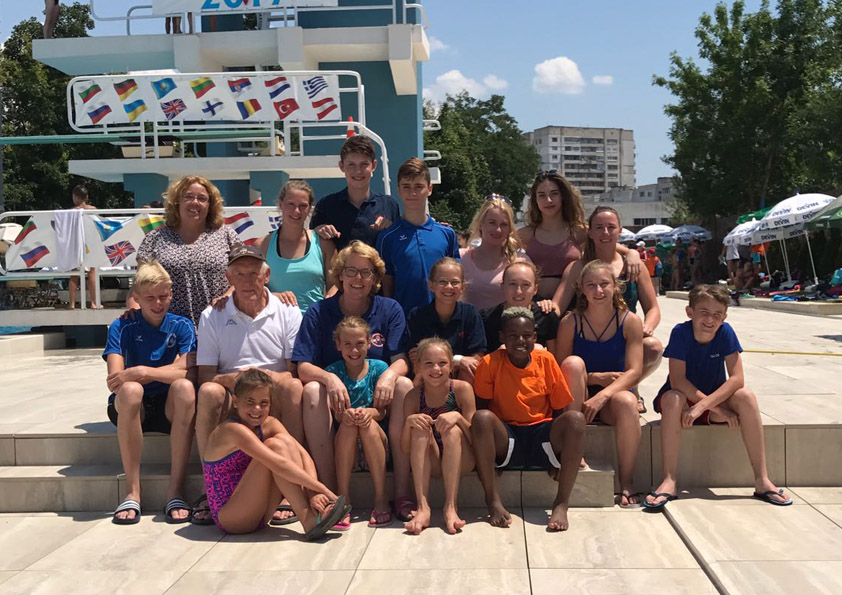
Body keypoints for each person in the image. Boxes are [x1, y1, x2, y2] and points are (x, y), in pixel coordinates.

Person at [292, 241, 416, 521]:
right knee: (312, 390)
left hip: (379, 409)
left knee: (404, 385)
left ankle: (400, 492)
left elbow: (401, 360)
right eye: (351, 271)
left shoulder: (390, 309)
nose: (358, 278)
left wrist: (388, 375)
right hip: (336, 411)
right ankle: (330, 492)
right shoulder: (319, 312)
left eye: (366, 272)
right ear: (340, 274)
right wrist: (329, 379)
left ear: (375, 278)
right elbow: (303, 366)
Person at [645, 285, 791, 509]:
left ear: (724, 317)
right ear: (690, 312)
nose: (710, 320)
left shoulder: (725, 332)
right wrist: (709, 407)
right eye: (704, 312)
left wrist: (705, 406)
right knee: (673, 398)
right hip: (684, 403)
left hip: (709, 403)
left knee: (746, 396)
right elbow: (678, 381)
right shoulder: (681, 332)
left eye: (717, 315)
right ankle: (669, 479)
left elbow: (737, 379)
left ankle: (762, 480)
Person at [194, 245, 304, 524]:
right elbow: (205, 375)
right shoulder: (212, 315)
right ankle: (209, 488)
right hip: (233, 391)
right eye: (239, 274)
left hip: (273, 387)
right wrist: (233, 380)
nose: (247, 281)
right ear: (229, 278)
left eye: (254, 274)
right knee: (208, 391)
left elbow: (293, 371)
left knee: (294, 388)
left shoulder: (288, 310)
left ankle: (293, 490)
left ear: (266, 276)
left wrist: (261, 378)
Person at [472, 307, 585, 531]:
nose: (520, 341)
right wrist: (489, 457)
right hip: (507, 437)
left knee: (576, 419)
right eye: (513, 336)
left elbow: (559, 409)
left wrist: (559, 457)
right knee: (481, 418)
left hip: (541, 434)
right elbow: (482, 406)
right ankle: (493, 501)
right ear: (502, 337)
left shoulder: (546, 360)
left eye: (526, 335)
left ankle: (561, 503)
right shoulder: (490, 363)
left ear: (535, 337)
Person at [201, 369, 349, 538]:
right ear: (235, 401)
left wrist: (312, 493)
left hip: (260, 513)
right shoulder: (231, 430)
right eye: (250, 402)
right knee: (274, 447)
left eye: (264, 403)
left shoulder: (269, 424)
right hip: (231, 518)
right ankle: (308, 520)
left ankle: (310, 515)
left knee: (284, 442)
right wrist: (325, 490)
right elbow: (278, 464)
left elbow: (303, 455)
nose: (257, 409)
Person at [103, 261, 197, 525]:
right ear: (136, 298)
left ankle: (175, 491)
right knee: (131, 389)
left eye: (163, 296)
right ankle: (132, 492)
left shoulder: (182, 325)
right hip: (134, 407)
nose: (158, 304)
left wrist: (144, 371)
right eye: (150, 298)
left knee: (185, 388)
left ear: (171, 294)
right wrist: (168, 370)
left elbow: (189, 373)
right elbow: (115, 380)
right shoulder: (122, 326)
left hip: (169, 406)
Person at [556, 207, 662, 412]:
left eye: (611, 227)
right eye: (599, 227)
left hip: (624, 334)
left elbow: (653, 308)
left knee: (653, 346)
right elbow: (558, 305)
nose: (605, 232)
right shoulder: (578, 267)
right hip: (588, 338)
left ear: (619, 230)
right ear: (590, 232)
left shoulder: (634, 265)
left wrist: (646, 327)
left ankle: (630, 387)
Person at [556, 261, 644, 507]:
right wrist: (595, 378)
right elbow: (560, 370)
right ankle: (575, 447)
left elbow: (635, 371)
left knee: (627, 402)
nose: (598, 291)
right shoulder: (570, 322)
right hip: (579, 393)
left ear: (616, 286)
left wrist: (603, 395)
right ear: (581, 289)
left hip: (611, 396)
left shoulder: (630, 321)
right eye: (591, 285)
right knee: (573, 364)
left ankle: (627, 480)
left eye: (604, 284)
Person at [135, 175, 240, 327]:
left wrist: (227, 296)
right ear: (177, 202)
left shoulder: (227, 235)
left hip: (220, 323)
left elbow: (244, 276)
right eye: (188, 197)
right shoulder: (154, 238)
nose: (195, 202)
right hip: (170, 329)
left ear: (210, 205)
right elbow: (139, 285)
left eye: (202, 198)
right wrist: (133, 313)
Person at [402, 338, 476, 534]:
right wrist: (408, 423)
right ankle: (423, 507)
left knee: (452, 430)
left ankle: (451, 507)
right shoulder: (413, 396)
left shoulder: (462, 389)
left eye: (442, 363)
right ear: (418, 367)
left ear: (451, 365)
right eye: (429, 363)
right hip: (433, 462)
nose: (436, 369)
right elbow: (404, 448)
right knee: (418, 428)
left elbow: (475, 439)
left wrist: (458, 418)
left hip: (463, 459)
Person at [328, 316, 391, 529]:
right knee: (348, 424)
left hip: (375, 442)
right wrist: (344, 415)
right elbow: (336, 414)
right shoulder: (333, 371)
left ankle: (381, 497)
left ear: (369, 343)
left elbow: (383, 411)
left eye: (359, 343)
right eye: (347, 344)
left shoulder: (379, 368)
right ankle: (343, 497)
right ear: (338, 345)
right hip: (349, 448)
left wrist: (369, 413)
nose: (354, 350)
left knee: (367, 423)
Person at [377, 157, 460, 314]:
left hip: (442, 319)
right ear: (399, 190)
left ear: (429, 189)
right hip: (404, 320)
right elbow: (387, 286)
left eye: (419, 186)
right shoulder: (387, 237)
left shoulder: (447, 234)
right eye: (406, 187)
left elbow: (457, 280)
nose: (412, 193)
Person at [257, 180, 336, 314]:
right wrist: (273, 296)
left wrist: (330, 299)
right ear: (281, 204)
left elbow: (335, 285)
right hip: (276, 322)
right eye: (291, 204)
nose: (296, 211)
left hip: (314, 322)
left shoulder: (324, 244)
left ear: (310, 208)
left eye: (303, 206)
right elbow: (253, 287)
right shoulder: (262, 245)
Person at [310, 135, 401, 250]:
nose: (358, 171)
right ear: (341, 166)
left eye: (364, 164)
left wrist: (392, 229)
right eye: (351, 165)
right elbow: (310, 247)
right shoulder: (326, 206)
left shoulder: (389, 205)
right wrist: (316, 233)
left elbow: (399, 245)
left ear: (374, 165)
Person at [406, 258, 486, 383]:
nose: (449, 287)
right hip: (428, 375)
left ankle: (460, 397)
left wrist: (449, 361)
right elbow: (415, 357)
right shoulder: (417, 315)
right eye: (442, 282)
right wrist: (459, 360)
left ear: (463, 287)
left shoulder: (470, 313)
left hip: (459, 377)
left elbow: (476, 357)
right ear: (431, 285)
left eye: (455, 282)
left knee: (469, 371)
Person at [518, 170, 587, 301]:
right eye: (542, 195)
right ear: (535, 200)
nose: (548, 200)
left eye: (554, 194)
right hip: (534, 305)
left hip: (572, 304)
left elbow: (608, 244)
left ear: (563, 196)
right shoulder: (526, 234)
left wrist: (629, 253)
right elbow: (497, 248)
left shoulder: (579, 231)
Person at [460, 196, 527, 310]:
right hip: (467, 321)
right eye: (492, 223)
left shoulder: (520, 262)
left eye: (504, 225)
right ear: (481, 224)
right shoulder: (460, 258)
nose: (498, 230)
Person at [481, 260, 560, 354]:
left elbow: (553, 357)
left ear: (535, 289)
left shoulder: (546, 317)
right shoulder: (486, 318)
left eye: (526, 285)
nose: (518, 291)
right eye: (512, 284)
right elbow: (480, 357)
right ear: (502, 286)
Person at [67, 186, 100, 310]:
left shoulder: (71, 211)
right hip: (90, 242)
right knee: (92, 272)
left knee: (74, 274)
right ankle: (94, 302)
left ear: (75, 196)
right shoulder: (93, 210)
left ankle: (72, 303)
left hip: (76, 243)